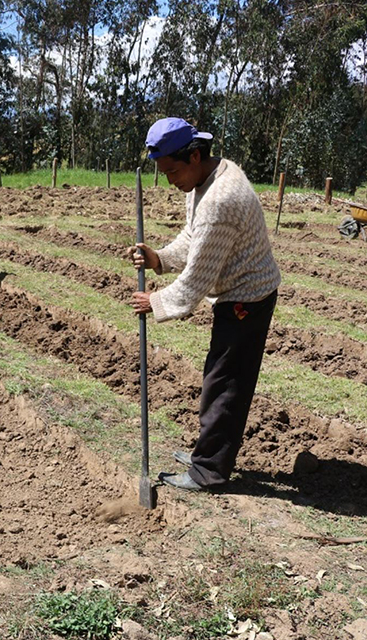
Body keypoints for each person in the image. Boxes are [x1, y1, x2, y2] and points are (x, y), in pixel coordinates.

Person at [127, 117, 281, 492]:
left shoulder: (219, 199)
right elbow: (194, 235)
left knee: (225, 383)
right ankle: (208, 453)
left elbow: (196, 281)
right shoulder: (206, 178)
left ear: (194, 156)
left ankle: (208, 470)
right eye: (163, 172)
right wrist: (160, 259)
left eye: (172, 171)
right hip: (238, 290)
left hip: (247, 297)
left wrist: (155, 301)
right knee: (221, 377)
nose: (170, 181)